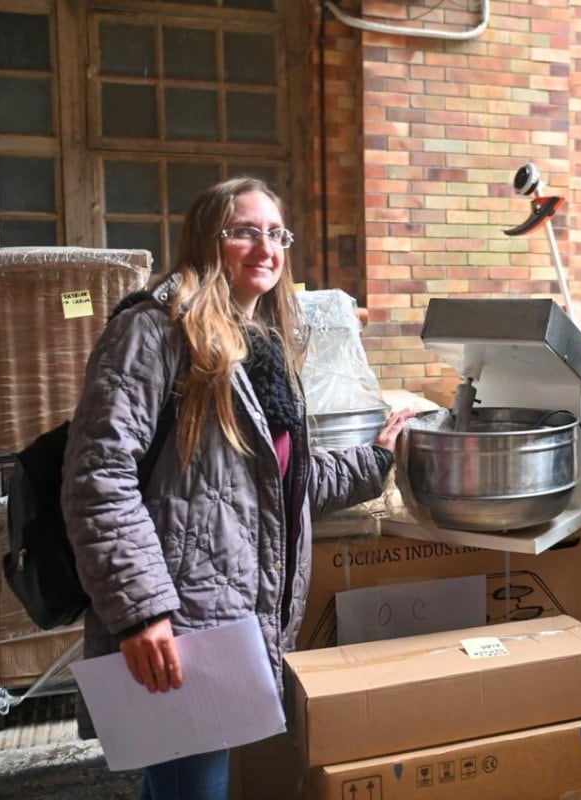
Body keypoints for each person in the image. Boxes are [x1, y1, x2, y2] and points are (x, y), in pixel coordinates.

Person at [60, 176, 414, 799]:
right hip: (181, 621)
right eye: (244, 231)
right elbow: (98, 476)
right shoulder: (154, 333)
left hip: (229, 621)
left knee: (188, 782)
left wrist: (376, 460)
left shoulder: (263, 352)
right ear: (207, 241)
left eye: (276, 234)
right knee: (191, 785)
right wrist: (141, 612)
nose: (266, 248)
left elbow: (279, 488)